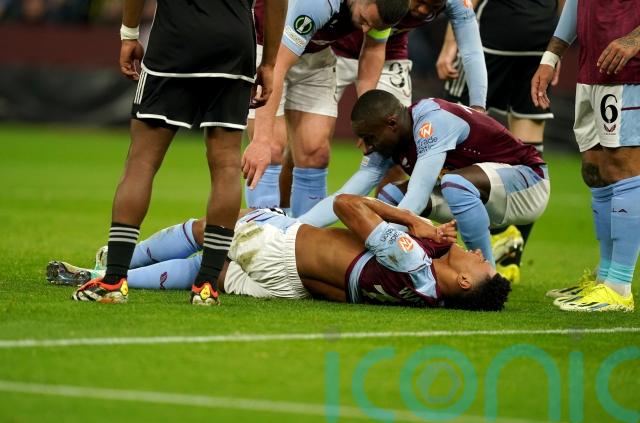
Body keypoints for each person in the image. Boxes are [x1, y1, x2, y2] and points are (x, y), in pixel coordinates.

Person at [71, 0, 288, 306]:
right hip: (233, 45)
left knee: (142, 162)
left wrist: (129, 34)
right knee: (226, 164)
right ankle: (207, 285)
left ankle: (114, 279)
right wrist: (269, 62)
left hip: (173, 42)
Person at [49, 196, 511, 311]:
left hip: (283, 249)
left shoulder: (411, 258)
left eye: (480, 262)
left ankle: (112, 264)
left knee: (207, 231)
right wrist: (434, 240)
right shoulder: (430, 293)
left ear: (465, 281)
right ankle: (97, 273)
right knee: (204, 271)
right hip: (292, 287)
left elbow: (346, 206)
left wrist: (411, 220)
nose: (477, 252)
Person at [298, 89, 550, 268]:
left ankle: (487, 273)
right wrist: (294, 229)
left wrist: (376, 245)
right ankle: (410, 268)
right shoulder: (390, 139)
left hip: (529, 184)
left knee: (453, 184)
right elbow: (343, 197)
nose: (365, 146)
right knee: (389, 196)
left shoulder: (432, 122)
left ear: (391, 123)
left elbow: (416, 200)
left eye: (369, 137)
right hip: (480, 198)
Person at [243, 0, 410, 218]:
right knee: (271, 148)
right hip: (268, 51)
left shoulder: (381, 11)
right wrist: (260, 140)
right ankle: (260, 231)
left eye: (373, 26)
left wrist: (369, 124)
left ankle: (304, 232)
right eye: (365, 21)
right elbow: (276, 67)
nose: (365, 30)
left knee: (316, 153)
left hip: (316, 56)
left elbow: (373, 50)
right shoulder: (319, 3)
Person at [439, 0, 561, 283]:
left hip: (492, 34)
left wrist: (450, 44)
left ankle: (476, 244)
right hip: (540, 38)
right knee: (529, 150)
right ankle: (510, 258)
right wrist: (556, 50)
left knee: (451, 133)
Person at [531, 0, 640, 312]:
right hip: (592, 66)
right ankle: (604, 278)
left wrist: (634, 39)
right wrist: (551, 56)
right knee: (595, 169)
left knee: (623, 166)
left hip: (629, 68)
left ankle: (619, 287)